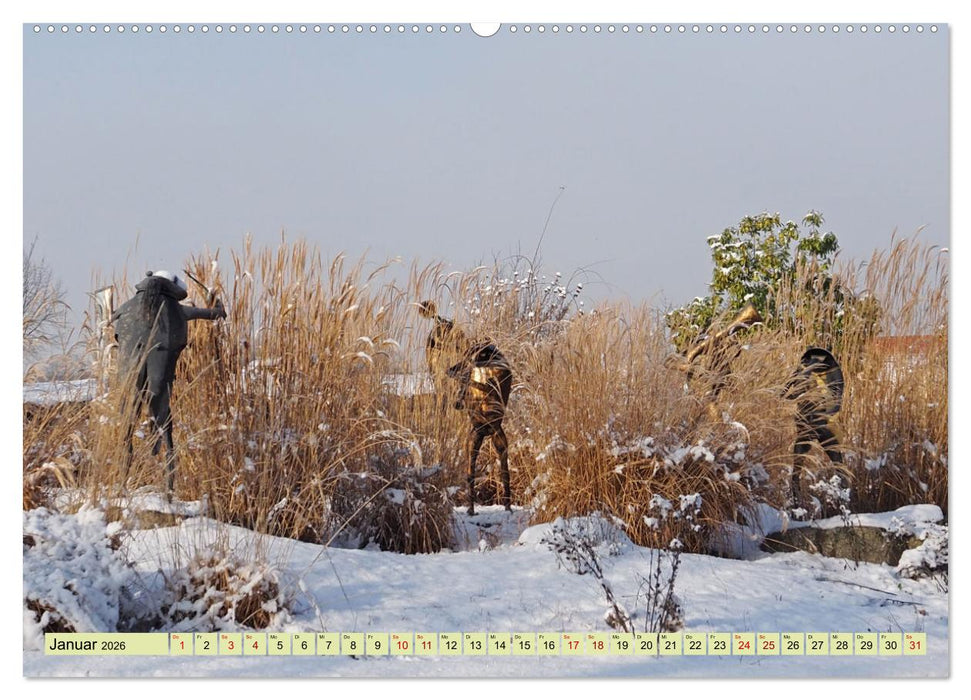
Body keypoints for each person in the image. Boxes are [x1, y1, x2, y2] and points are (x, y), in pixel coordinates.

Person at [112, 270, 226, 491]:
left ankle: (120, 484)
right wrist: (215, 302)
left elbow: (111, 322)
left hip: (128, 378)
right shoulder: (176, 309)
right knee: (165, 425)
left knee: (126, 426)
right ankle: (169, 485)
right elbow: (218, 314)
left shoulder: (126, 308)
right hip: (159, 379)